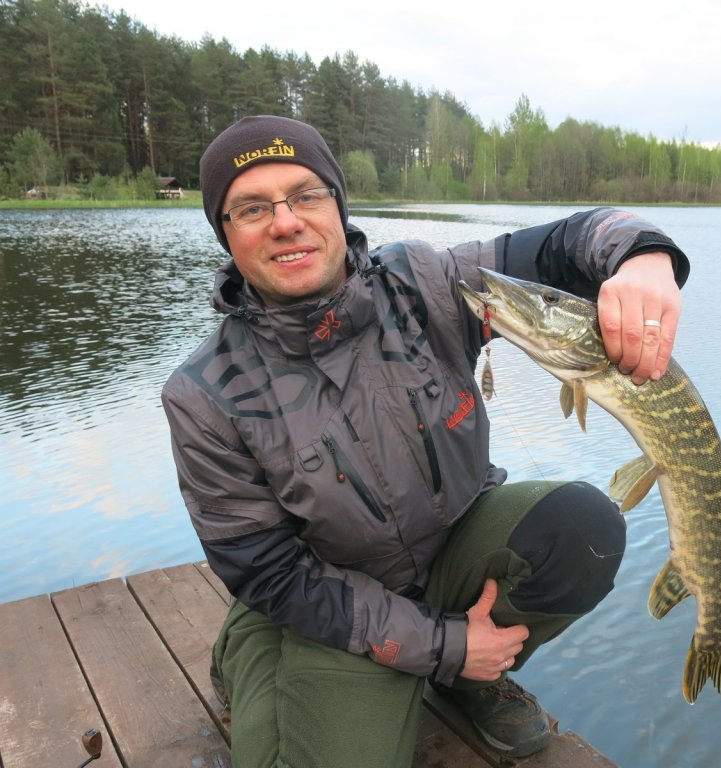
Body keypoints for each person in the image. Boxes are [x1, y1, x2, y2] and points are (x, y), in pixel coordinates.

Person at [162, 115, 688, 768]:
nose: (286, 221)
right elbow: (271, 574)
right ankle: (247, 651)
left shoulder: (423, 284)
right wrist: (440, 643)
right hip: (338, 606)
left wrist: (645, 256)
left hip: (455, 552)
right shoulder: (205, 393)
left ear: (336, 204)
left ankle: (470, 675)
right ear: (226, 234)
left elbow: (565, 243)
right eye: (251, 208)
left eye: (305, 195)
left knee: (583, 528)